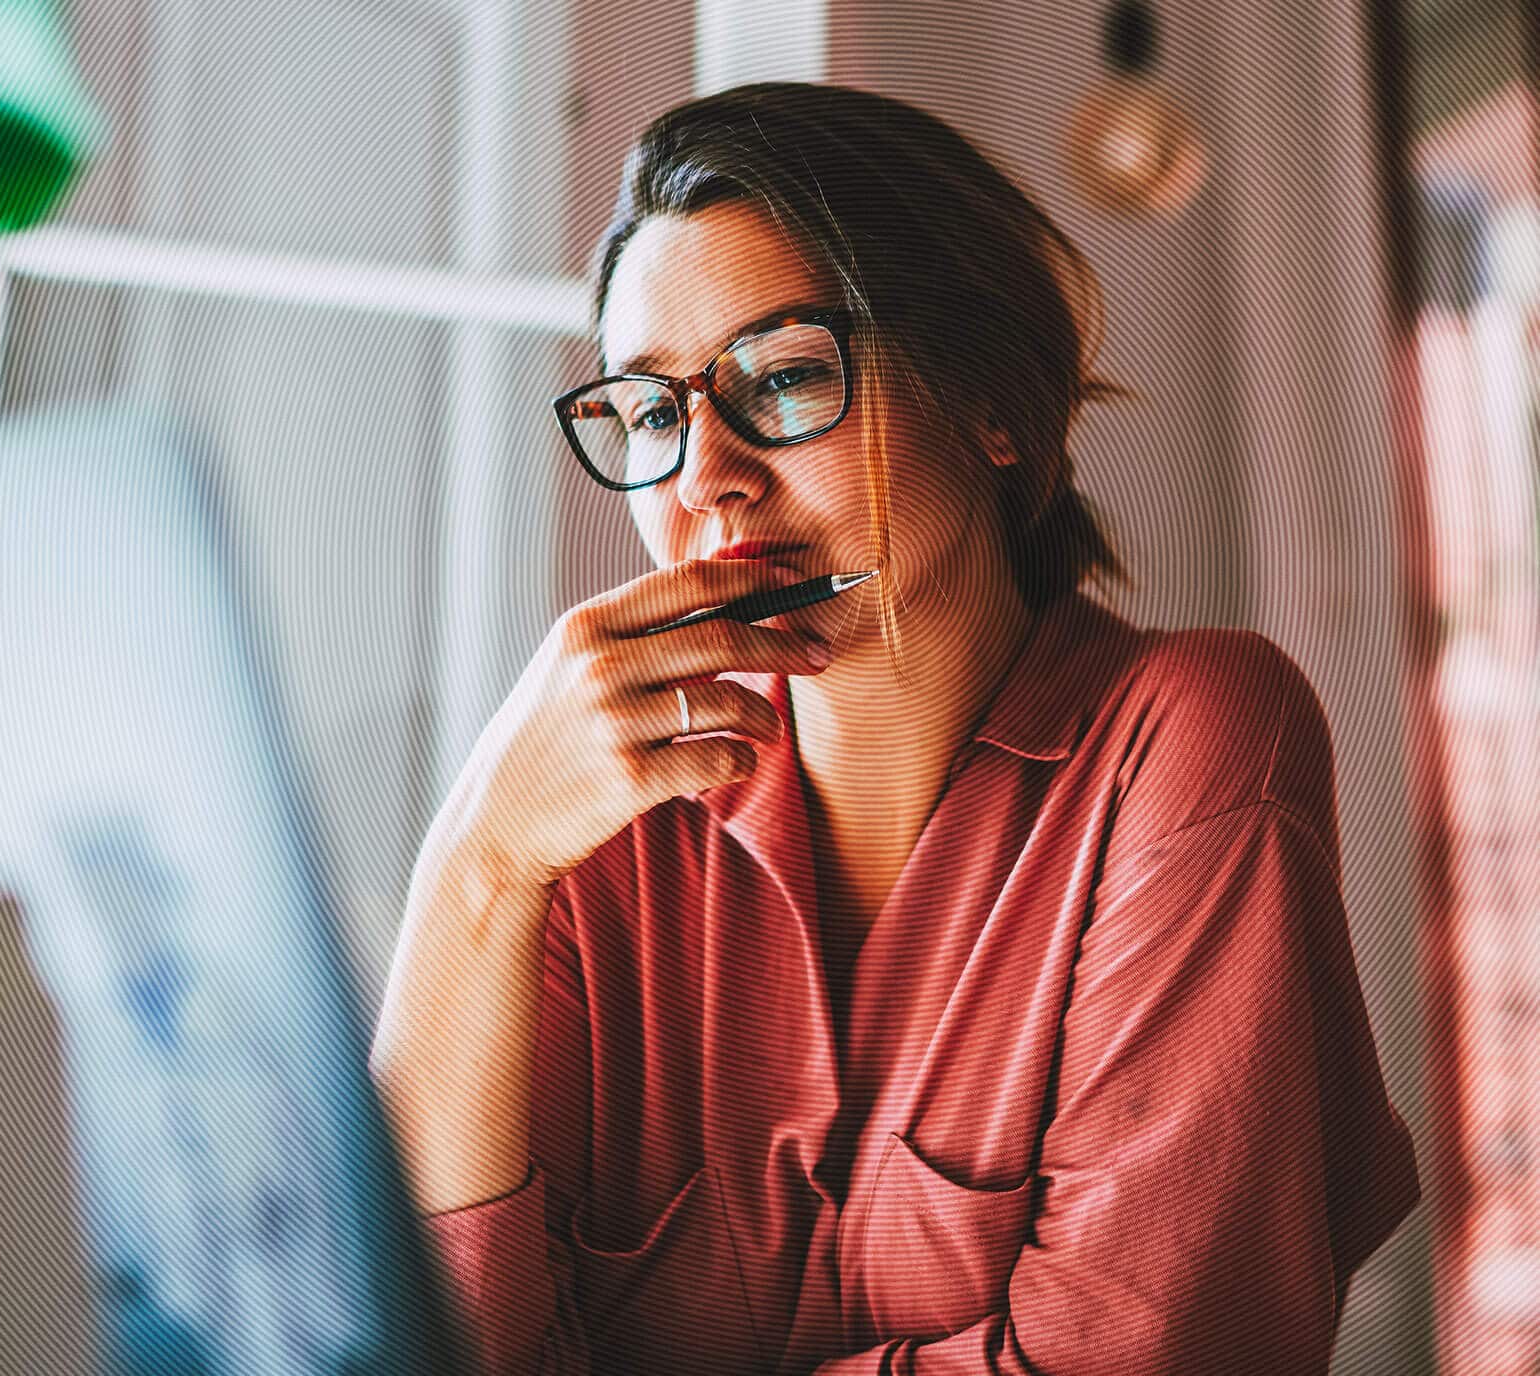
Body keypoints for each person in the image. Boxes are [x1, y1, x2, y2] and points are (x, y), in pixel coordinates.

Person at [370, 82, 1418, 1375]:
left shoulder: (1190, 739)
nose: (707, 475)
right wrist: (473, 865)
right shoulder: (593, 840)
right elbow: (412, 1344)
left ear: (991, 403)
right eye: (652, 411)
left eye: (789, 376)